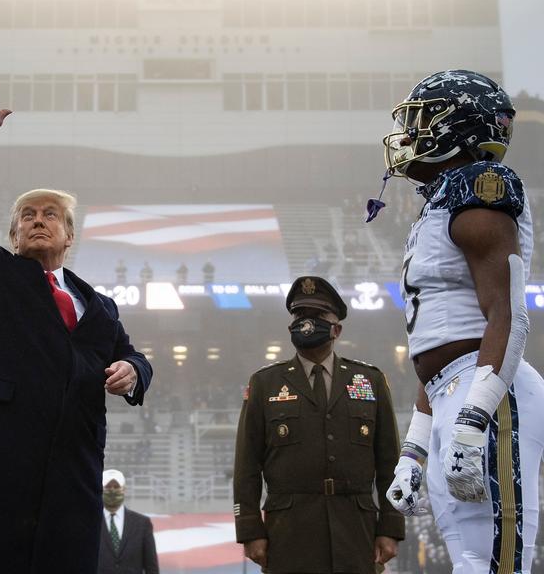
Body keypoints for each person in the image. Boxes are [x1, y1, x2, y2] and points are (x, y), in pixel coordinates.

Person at [0, 74, 152, 574]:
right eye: (28, 215)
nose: (39, 220)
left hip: (72, 473)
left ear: (69, 234)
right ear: (14, 233)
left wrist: (132, 370)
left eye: (51, 215)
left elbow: (135, 356)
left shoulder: (100, 306)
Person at [377, 70, 544, 573]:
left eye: (424, 121)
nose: (412, 134)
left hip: (488, 390)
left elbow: (507, 316)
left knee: (495, 564)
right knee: (469, 562)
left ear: (461, 126)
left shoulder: (479, 188)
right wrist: (415, 446)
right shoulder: (440, 202)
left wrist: (475, 417)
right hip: (455, 388)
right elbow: (439, 346)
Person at [233, 275, 403, 573]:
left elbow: (389, 462)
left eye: (317, 316)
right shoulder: (265, 383)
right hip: (288, 531)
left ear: (336, 329)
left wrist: (390, 526)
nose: (306, 322)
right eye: (300, 315)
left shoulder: (369, 380)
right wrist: (250, 530)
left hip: (355, 528)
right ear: (290, 327)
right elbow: (247, 464)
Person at [98, 469, 159, 574]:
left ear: (124, 489)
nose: (112, 490)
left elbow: (151, 567)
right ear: (100, 490)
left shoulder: (142, 524)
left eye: (116, 487)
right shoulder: (91, 525)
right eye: (108, 487)